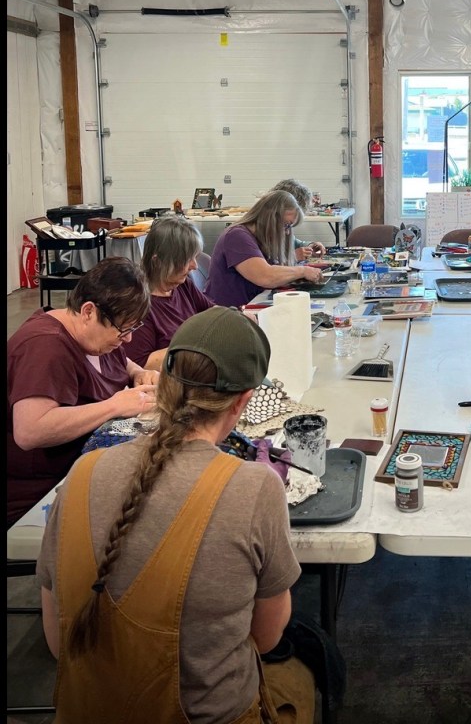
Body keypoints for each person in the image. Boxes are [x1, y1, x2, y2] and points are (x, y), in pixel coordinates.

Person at [36, 305, 314, 723]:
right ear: (243, 401)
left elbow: (58, 642)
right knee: (307, 668)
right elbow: (266, 636)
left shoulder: (83, 472)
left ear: (163, 385)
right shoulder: (255, 487)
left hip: (86, 710)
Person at [7, 256, 158, 527]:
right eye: (123, 330)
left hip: (84, 468)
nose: (128, 338)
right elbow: (30, 430)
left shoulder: (95, 338)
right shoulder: (45, 348)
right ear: (88, 311)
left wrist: (137, 373)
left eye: (133, 328)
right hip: (40, 492)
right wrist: (114, 406)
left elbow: (121, 361)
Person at [205, 190, 324, 308]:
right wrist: (302, 271)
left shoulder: (261, 237)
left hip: (247, 306)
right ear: (270, 217)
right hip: (228, 313)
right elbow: (266, 277)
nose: (287, 232)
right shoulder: (237, 236)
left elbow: (275, 270)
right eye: (286, 225)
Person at [125, 215, 215, 372]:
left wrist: (236, 315)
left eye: (194, 257)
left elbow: (213, 313)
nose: (194, 266)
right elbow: (141, 363)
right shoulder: (139, 304)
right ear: (158, 262)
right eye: (187, 259)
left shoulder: (183, 285)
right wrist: (199, 343)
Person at [271, 178, 326, 259]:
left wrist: (310, 246)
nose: (287, 232)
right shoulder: (260, 230)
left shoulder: (281, 224)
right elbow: (264, 265)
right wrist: (293, 257)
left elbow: (294, 242)